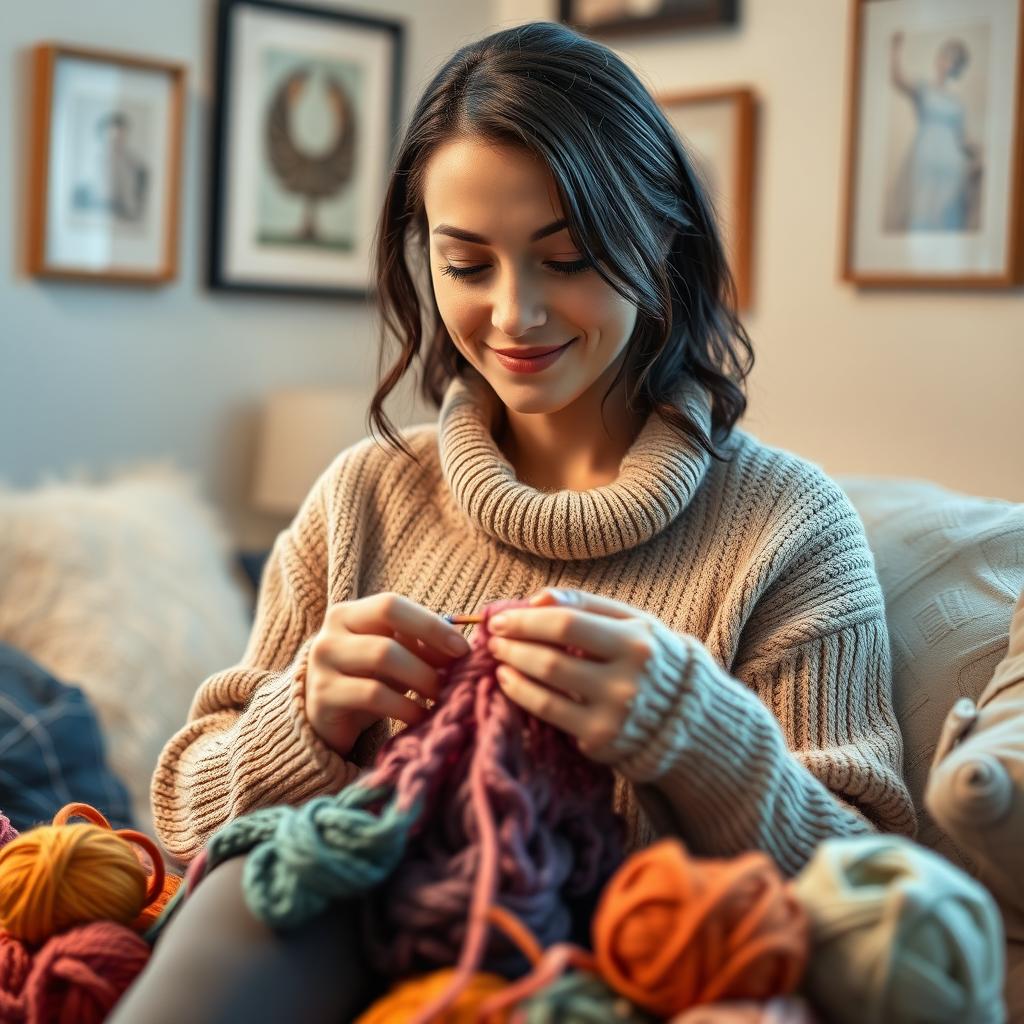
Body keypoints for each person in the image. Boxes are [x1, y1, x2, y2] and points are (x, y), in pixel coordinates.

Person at [112, 21, 916, 1023]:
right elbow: (183, 816)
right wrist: (304, 721)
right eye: (467, 264)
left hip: (609, 979)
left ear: (660, 242)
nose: (514, 315)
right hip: (335, 954)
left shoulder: (788, 530)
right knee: (259, 882)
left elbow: (888, 900)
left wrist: (698, 734)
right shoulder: (361, 496)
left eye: (566, 257)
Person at [886, 31, 983, 232]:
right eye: (945, 56)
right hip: (926, 158)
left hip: (951, 165)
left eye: (952, 60)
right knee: (923, 209)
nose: (946, 62)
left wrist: (977, 151)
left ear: (956, 67)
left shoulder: (957, 102)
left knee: (946, 214)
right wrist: (895, 49)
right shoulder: (923, 89)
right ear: (938, 58)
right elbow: (899, 80)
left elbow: (962, 137)